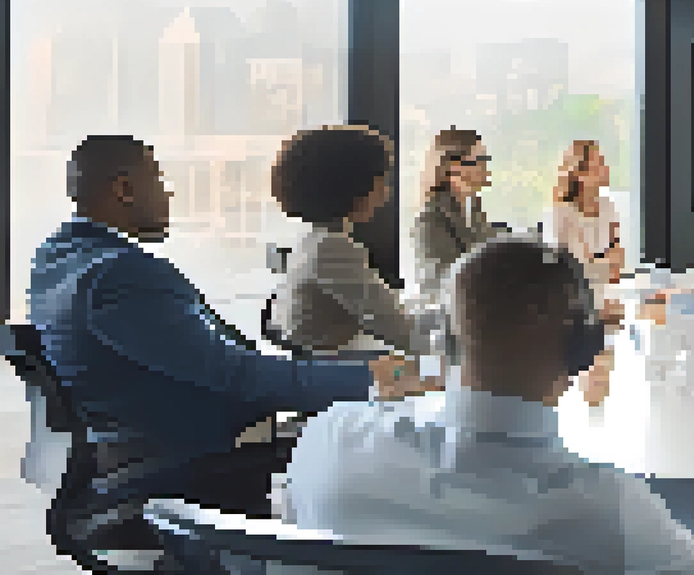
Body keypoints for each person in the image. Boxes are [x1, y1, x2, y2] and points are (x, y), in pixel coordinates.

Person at [279, 235, 694, 575]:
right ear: (582, 345)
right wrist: (667, 543)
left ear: (445, 337)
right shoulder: (598, 507)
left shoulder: (331, 437)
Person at [26, 135, 428, 504]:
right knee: (386, 447)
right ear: (124, 189)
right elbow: (239, 377)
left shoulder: (57, 257)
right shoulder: (118, 275)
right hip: (178, 461)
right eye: (159, 179)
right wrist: (377, 378)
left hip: (131, 446)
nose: (167, 193)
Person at [268, 125, 435, 356]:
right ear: (353, 186)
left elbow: (390, 315)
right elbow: (401, 332)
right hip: (339, 374)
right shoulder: (333, 249)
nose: (386, 192)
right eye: (381, 180)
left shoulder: (313, 242)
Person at [543, 140, 627, 407]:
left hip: (605, 302)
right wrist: (601, 263)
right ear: (578, 173)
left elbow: (618, 263)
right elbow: (569, 270)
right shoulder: (560, 213)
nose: (604, 168)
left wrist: (596, 263)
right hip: (571, 307)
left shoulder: (608, 207)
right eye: (597, 164)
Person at [412, 127, 505, 305]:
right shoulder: (430, 219)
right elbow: (439, 284)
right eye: (481, 159)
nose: (486, 166)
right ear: (455, 166)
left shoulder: (473, 212)